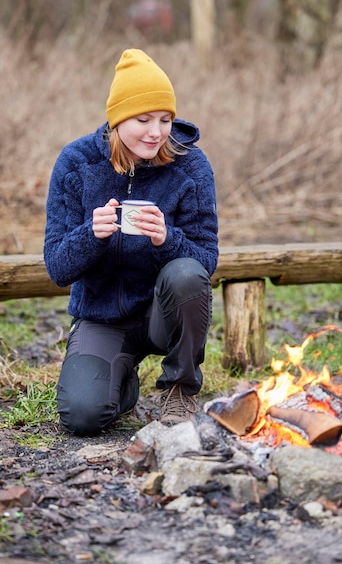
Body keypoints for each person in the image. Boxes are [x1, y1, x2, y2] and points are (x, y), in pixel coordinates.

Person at [43, 48, 219, 436]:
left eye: (165, 119)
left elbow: (206, 260)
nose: (156, 132)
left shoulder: (190, 165)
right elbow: (57, 267)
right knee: (83, 417)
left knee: (186, 272)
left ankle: (180, 387)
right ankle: (121, 381)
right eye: (143, 119)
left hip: (162, 312)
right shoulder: (76, 163)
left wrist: (167, 238)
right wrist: (92, 234)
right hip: (102, 317)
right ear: (117, 119)